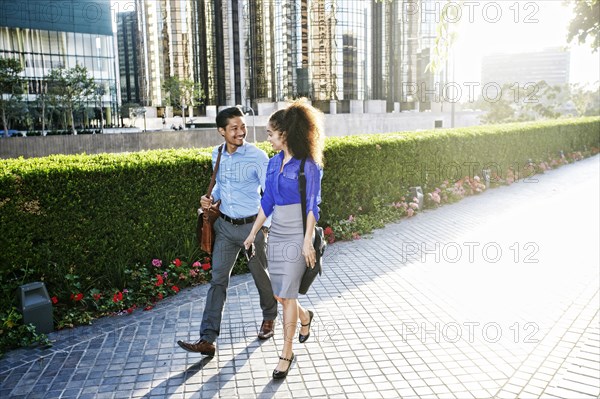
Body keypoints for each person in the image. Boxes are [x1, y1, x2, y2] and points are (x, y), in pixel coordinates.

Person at [177, 106, 278, 357]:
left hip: (251, 228)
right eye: (234, 128)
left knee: (261, 277)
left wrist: (263, 228)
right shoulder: (217, 154)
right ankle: (207, 338)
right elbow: (221, 188)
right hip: (224, 227)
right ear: (221, 131)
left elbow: (271, 195)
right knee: (217, 281)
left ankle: (269, 317)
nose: (241, 132)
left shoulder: (257, 157)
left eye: (242, 126)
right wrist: (209, 199)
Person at [243, 99, 324, 379]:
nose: (268, 138)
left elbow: (313, 205)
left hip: (299, 233)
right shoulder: (273, 163)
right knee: (280, 294)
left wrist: (306, 240)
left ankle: (286, 354)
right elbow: (268, 201)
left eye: (270, 133)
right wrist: (253, 233)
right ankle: (305, 317)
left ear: (285, 134)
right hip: (277, 233)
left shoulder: (309, 165)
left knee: (287, 295)